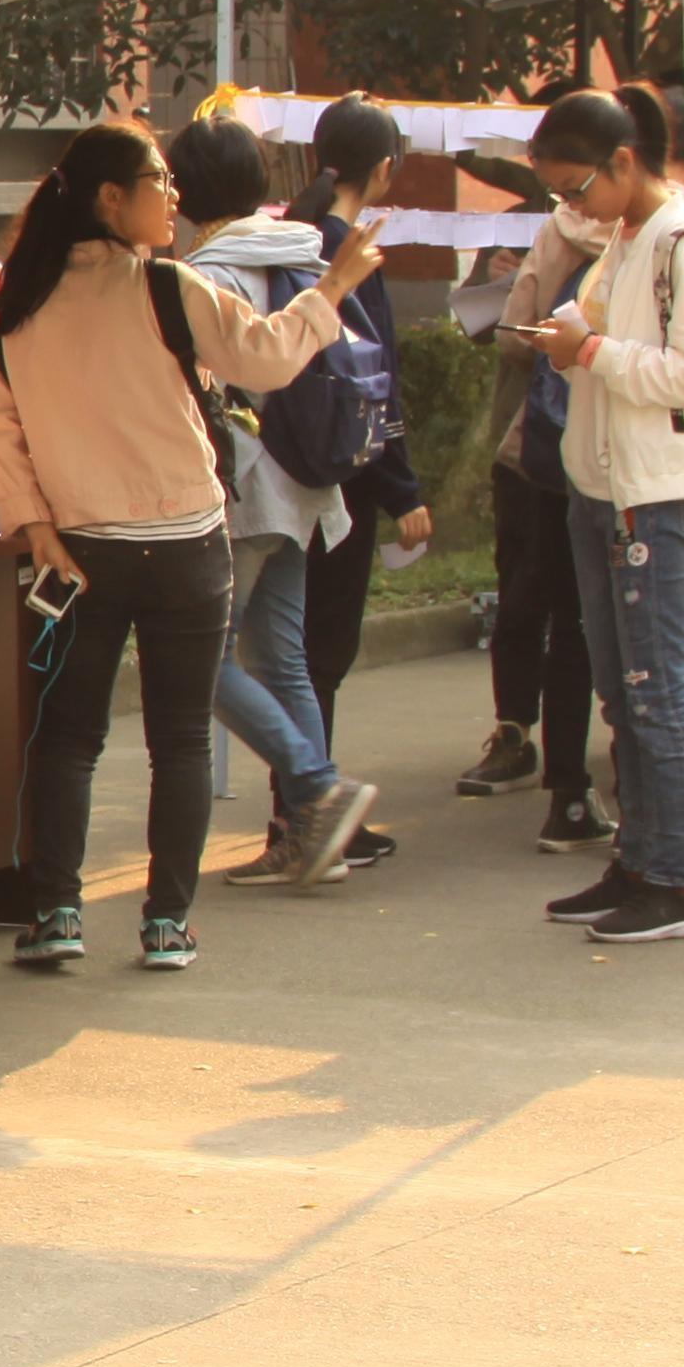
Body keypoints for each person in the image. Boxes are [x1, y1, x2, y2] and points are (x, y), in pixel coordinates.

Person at [0, 123, 380, 974]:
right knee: (181, 741)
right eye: (157, 180)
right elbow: (265, 359)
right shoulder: (167, 286)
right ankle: (166, 925)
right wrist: (332, 289)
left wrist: (36, 528)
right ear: (110, 199)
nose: (174, 196)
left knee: (68, 739)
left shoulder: (24, 302)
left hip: (79, 551)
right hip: (189, 544)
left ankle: (56, 914)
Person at [508, 87, 684, 946]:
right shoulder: (625, 239)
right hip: (599, 485)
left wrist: (589, 349)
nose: (573, 208)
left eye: (576, 189)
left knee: (654, 690)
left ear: (624, 162)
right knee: (620, 691)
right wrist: (574, 341)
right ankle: (639, 860)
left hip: (652, 492)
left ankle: (678, 879)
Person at [169, 115, 387, 889]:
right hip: (306, 483)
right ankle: (310, 835)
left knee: (202, 661)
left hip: (246, 488)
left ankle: (319, 789)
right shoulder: (300, 251)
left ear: (184, 192)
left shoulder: (209, 274)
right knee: (281, 659)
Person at [282, 101, 437, 802]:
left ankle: (300, 805)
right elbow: (373, 383)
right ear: (383, 170)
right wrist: (403, 491)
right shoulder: (352, 253)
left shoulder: (293, 238)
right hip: (344, 471)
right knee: (323, 650)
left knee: (295, 646)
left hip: (290, 462)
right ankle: (310, 808)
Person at [461, 196, 609, 852]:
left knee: (547, 602)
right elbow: (489, 323)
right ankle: (558, 766)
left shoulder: (566, 233)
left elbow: (512, 333)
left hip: (546, 447)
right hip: (577, 451)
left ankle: (550, 761)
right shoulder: (534, 221)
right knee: (567, 611)